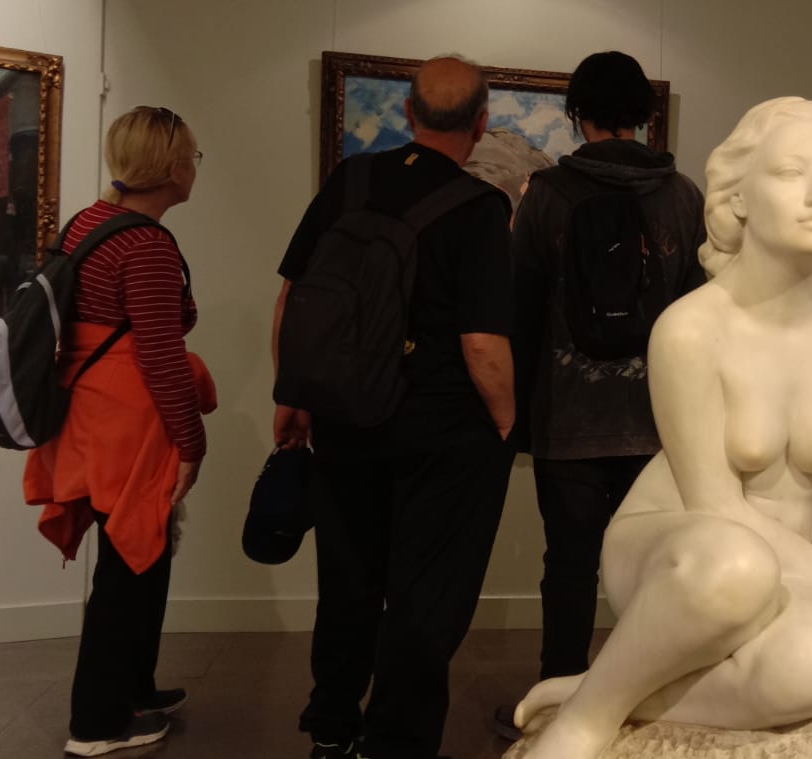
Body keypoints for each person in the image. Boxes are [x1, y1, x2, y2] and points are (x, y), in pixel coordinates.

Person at [510, 97, 812, 759]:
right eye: (791, 172)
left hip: (788, 572)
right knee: (737, 565)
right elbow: (715, 506)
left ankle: (608, 688)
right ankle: (585, 721)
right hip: (678, 551)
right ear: (738, 198)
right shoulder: (691, 329)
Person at [273, 54, 518, 759]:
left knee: (348, 578)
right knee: (424, 595)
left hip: (345, 416)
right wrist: (506, 421)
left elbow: (293, 297)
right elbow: (481, 343)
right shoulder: (479, 208)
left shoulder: (349, 181)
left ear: (409, 114)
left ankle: (332, 726)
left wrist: (293, 394)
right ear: (481, 124)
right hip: (440, 433)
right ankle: (397, 743)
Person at [493, 50, 707, 740]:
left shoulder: (547, 195)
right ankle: (649, 702)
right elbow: (702, 316)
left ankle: (558, 703)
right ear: (643, 114)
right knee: (658, 568)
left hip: (568, 418)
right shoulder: (683, 196)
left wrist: (519, 415)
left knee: (570, 564)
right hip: (660, 422)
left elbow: (520, 308)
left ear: (577, 112)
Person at [23, 105, 213, 756]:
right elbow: (160, 355)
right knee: (130, 561)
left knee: (139, 553)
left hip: (87, 410)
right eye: (193, 156)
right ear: (172, 167)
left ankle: (134, 687)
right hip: (130, 420)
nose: (196, 168)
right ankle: (98, 722)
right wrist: (192, 440)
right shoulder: (147, 245)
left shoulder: (88, 222)